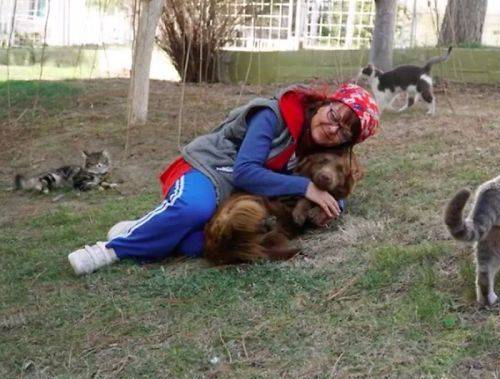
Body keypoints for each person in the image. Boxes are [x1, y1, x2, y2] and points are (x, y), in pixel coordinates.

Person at [68, 83, 380, 275]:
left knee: (204, 242)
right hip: (210, 170)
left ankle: (151, 230)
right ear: (326, 102)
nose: (332, 128)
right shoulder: (274, 114)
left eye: (343, 131)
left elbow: (334, 181)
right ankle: (110, 249)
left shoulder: (317, 148)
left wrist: (333, 203)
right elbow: (246, 170)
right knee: (195, 210)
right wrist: (305, 187)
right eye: (335, 116)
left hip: (240, 198)